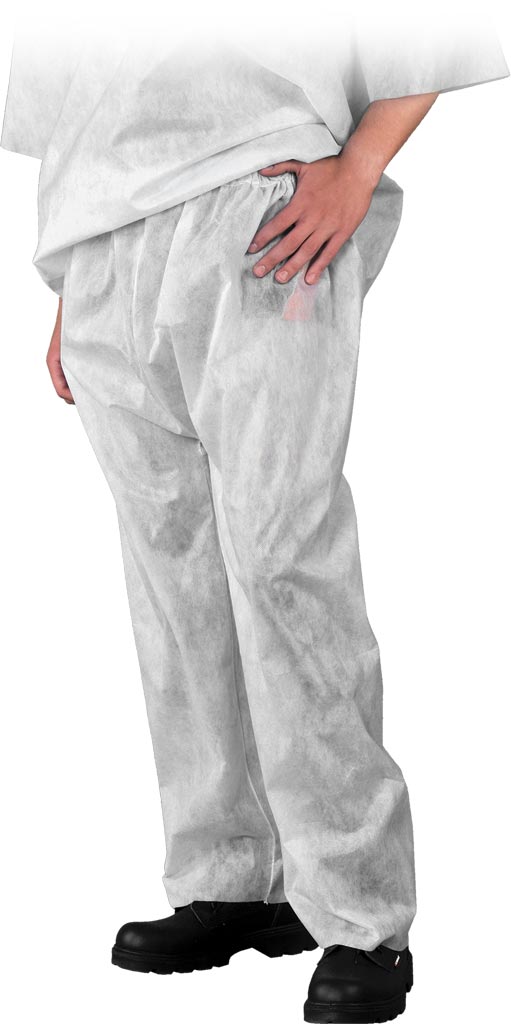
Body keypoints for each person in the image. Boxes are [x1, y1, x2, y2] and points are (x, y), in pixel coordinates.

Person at [1, 14, 508, 1023]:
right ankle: (232, 877)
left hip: (262, 206)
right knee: (173, 585)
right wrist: (79, 273)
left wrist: (359, 165)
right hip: (102, 245)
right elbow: (79, 95)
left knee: (283, 556)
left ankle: (360, 913)